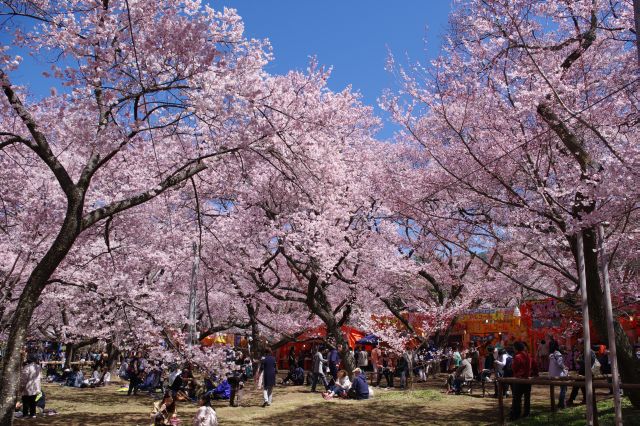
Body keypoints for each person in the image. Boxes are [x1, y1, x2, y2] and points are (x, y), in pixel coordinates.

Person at [509, 342, 532, 421]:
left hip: (519, 379)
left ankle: (516, 415)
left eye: (514, 347)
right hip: (527, 379)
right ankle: (526, 413)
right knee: (527, 398)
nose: (513, 349)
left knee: (517, 398)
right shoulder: (527, 355)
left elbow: (514, 368)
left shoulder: (517, 356)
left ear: (516, 348)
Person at [20, 354, 42, 419]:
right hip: (36, 386)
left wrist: (21, 387)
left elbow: (24, 379)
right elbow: (40, 377)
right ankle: (33, 414)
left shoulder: (27, 367)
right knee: (33, 401)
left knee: (25, 401)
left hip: (28, 386)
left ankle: (25, 414)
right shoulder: (38, 367)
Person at [548, 342, 568, 409]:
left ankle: (561, 403)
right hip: (559, 374)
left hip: (552, 374)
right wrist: (565, 367)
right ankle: (562, 403)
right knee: (563, 388)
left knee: (562, 387)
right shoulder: (558, 354)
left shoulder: (551, 355)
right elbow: (560, 364)